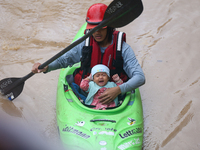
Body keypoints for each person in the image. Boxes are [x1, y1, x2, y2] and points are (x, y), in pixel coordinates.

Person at [32, 3, 145, 106]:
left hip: (115, 93)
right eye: (93, 28)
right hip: (87, 91)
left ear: (110, 26)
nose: (97, 32)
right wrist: (47, 67)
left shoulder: (123, 48)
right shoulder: (84, 44)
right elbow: (64, 60)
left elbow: (140, 78)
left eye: (101, 28)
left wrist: (118, 90)